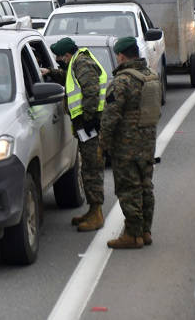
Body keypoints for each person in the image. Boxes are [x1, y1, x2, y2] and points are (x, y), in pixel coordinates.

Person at [100, 36, 161, 249]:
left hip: (126, 145)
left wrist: (103, 144)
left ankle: (132, 235)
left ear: (121, 56)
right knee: (146, 186)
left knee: (128, 188)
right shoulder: (152, 76)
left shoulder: (122, 81)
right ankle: (145, 231)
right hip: (148, 142)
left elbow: (110, 116)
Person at [44, 37, 107, 232]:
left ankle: (97, 213)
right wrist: (50, 73)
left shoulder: (82, 63)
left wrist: (88, 119)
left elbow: (91, 91)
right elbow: (70, 79)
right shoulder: (77, 62)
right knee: (87, 168)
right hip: (85, 126)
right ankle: (92, 210)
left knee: (91, 170)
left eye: (59, 58)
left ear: (67, 55)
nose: (59, 60)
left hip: (89, 127)